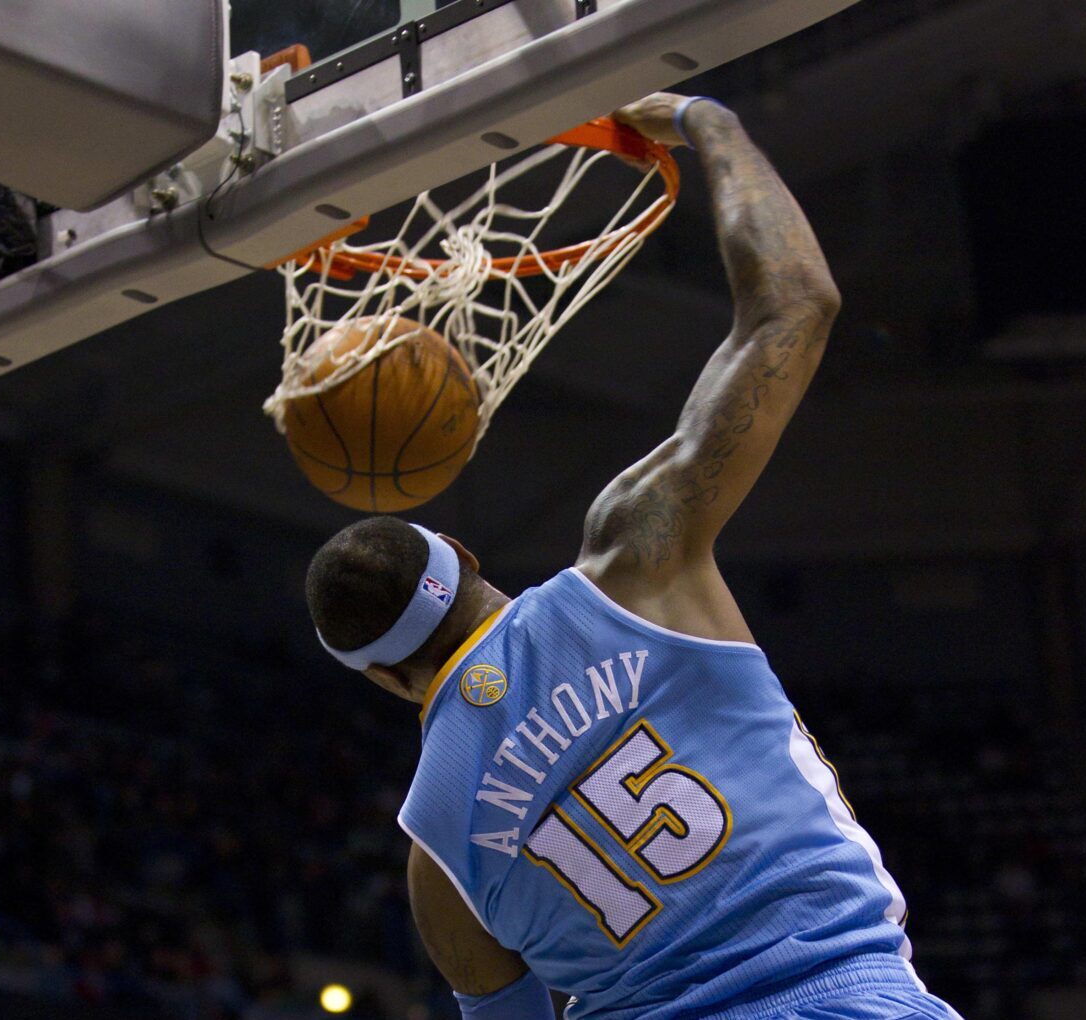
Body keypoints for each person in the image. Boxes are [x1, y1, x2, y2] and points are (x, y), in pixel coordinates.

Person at [306, 94, 963, 1020]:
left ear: (380, 678)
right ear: (459, 551)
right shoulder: (635, 558)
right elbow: (796, 304)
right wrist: (707, 122)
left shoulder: (436, 864)